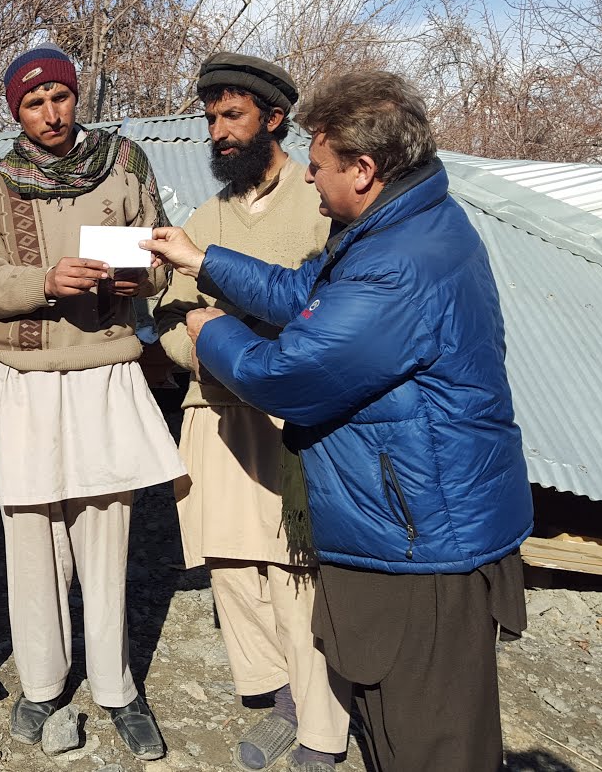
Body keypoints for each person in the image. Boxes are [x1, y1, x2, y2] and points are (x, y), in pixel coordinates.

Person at [142, 70, 533, 772]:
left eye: (319, 169)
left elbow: (289, 375)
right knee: (397, 732)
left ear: (364, 168)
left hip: (423, 547)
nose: (312, 183)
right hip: (417, 528)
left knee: (430, 745)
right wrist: (203, 260)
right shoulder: (397, 227)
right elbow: (303, 295)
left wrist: (208, 333)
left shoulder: (398, 265)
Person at [0, 43, 183, 760]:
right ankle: (42, 683)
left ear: (76, 94)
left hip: (105, 370)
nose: (51, 114)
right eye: (34, 102)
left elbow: (159, 253)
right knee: (31, 536)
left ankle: (117, 686)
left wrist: (136, 276)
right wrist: (45, 282)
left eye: (60, 96)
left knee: (105, 529)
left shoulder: (124, 162)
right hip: (24, 377)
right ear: (14, 110)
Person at [153, 54, 349, 772]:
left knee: (297, 575)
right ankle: (277, 704)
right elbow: (169, 312)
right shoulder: (205, 218)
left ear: (273, 119)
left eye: (232, 117)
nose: (218, 133)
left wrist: (254, 344)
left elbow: (331, 310)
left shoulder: (317, 201)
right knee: (233, 568)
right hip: (214, 410)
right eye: (210, 119)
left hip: (290, 419)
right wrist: (193, 351)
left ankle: (324, 726)